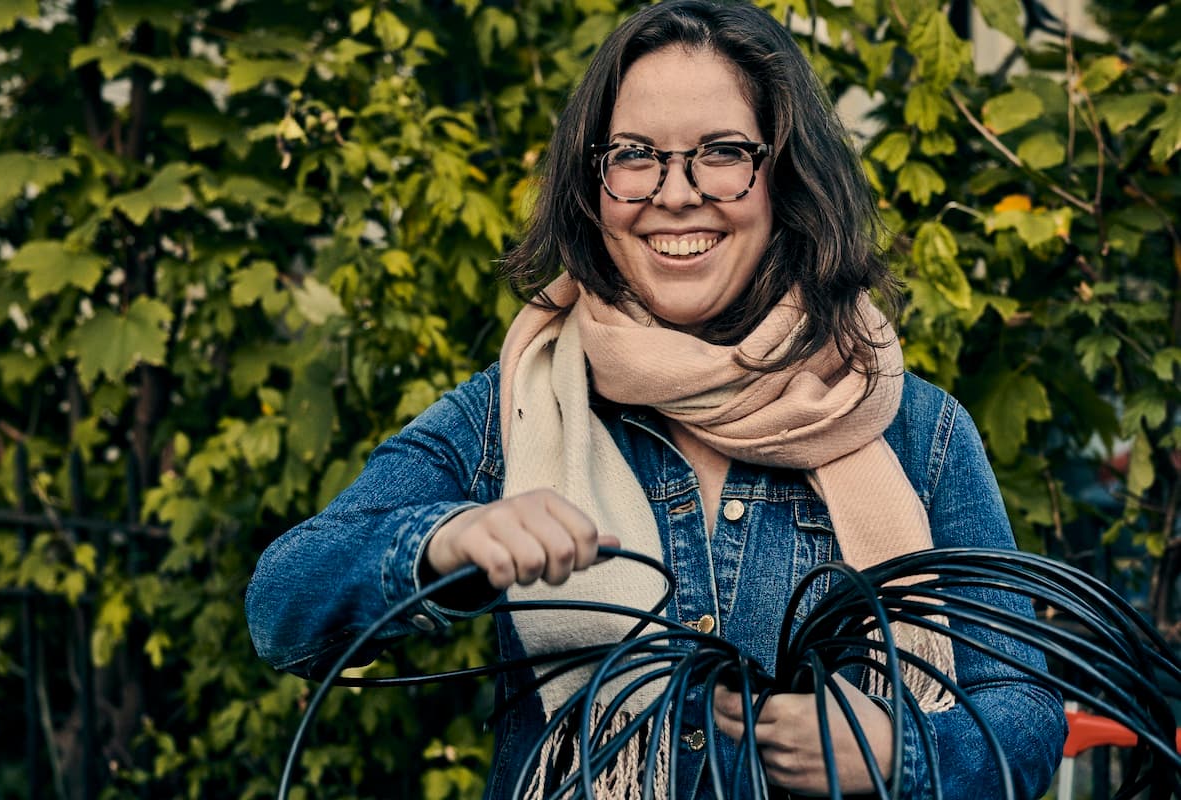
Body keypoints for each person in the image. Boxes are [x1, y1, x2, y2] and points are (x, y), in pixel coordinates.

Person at [245, 0, 1067, 797]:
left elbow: (1025, 717)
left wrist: (898, 752)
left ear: (784, 175)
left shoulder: (914, 429)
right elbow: (283, 608)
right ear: (593, 184)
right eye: (635, 154)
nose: (675, 194)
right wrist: (448, 539)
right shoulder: (515, 414)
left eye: (721, 152)